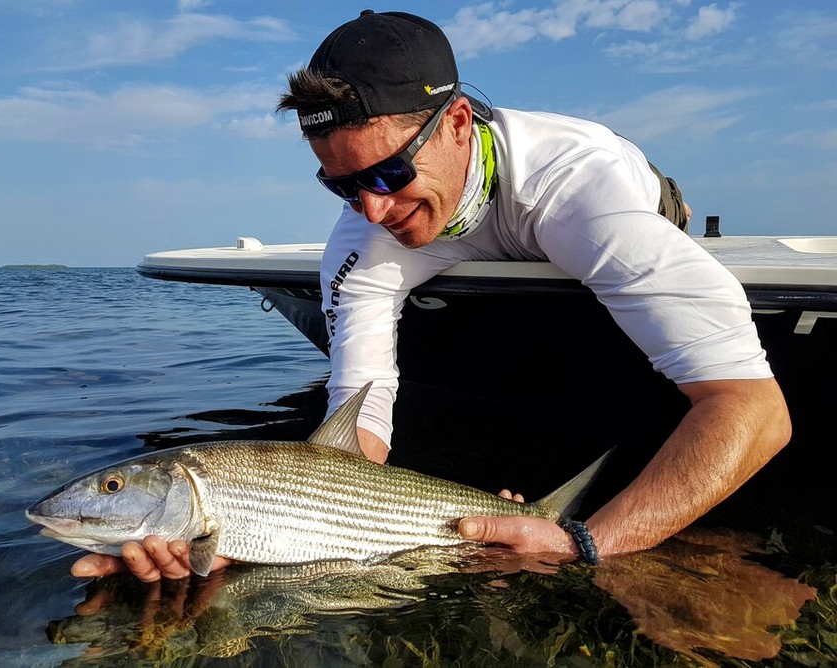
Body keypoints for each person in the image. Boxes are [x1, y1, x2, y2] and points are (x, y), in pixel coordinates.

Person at [72, 10, 790, 581]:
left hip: (642, 200)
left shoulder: (582, 195)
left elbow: (754, 411)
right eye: (341, 185)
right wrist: (253, 533)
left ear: (456, 123)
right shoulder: (363, 233)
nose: (372, 211)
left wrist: (583, 541)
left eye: (385, 175)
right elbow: (361, 422)